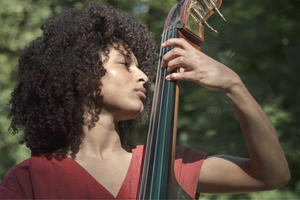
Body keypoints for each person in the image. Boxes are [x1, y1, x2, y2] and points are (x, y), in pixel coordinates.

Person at [0, 1, 290, 199]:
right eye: (125, 63)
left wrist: (233, 85)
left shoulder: (168, 163)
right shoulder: (29, 179)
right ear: (79, 73)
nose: (144, 77)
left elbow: (271, 174)